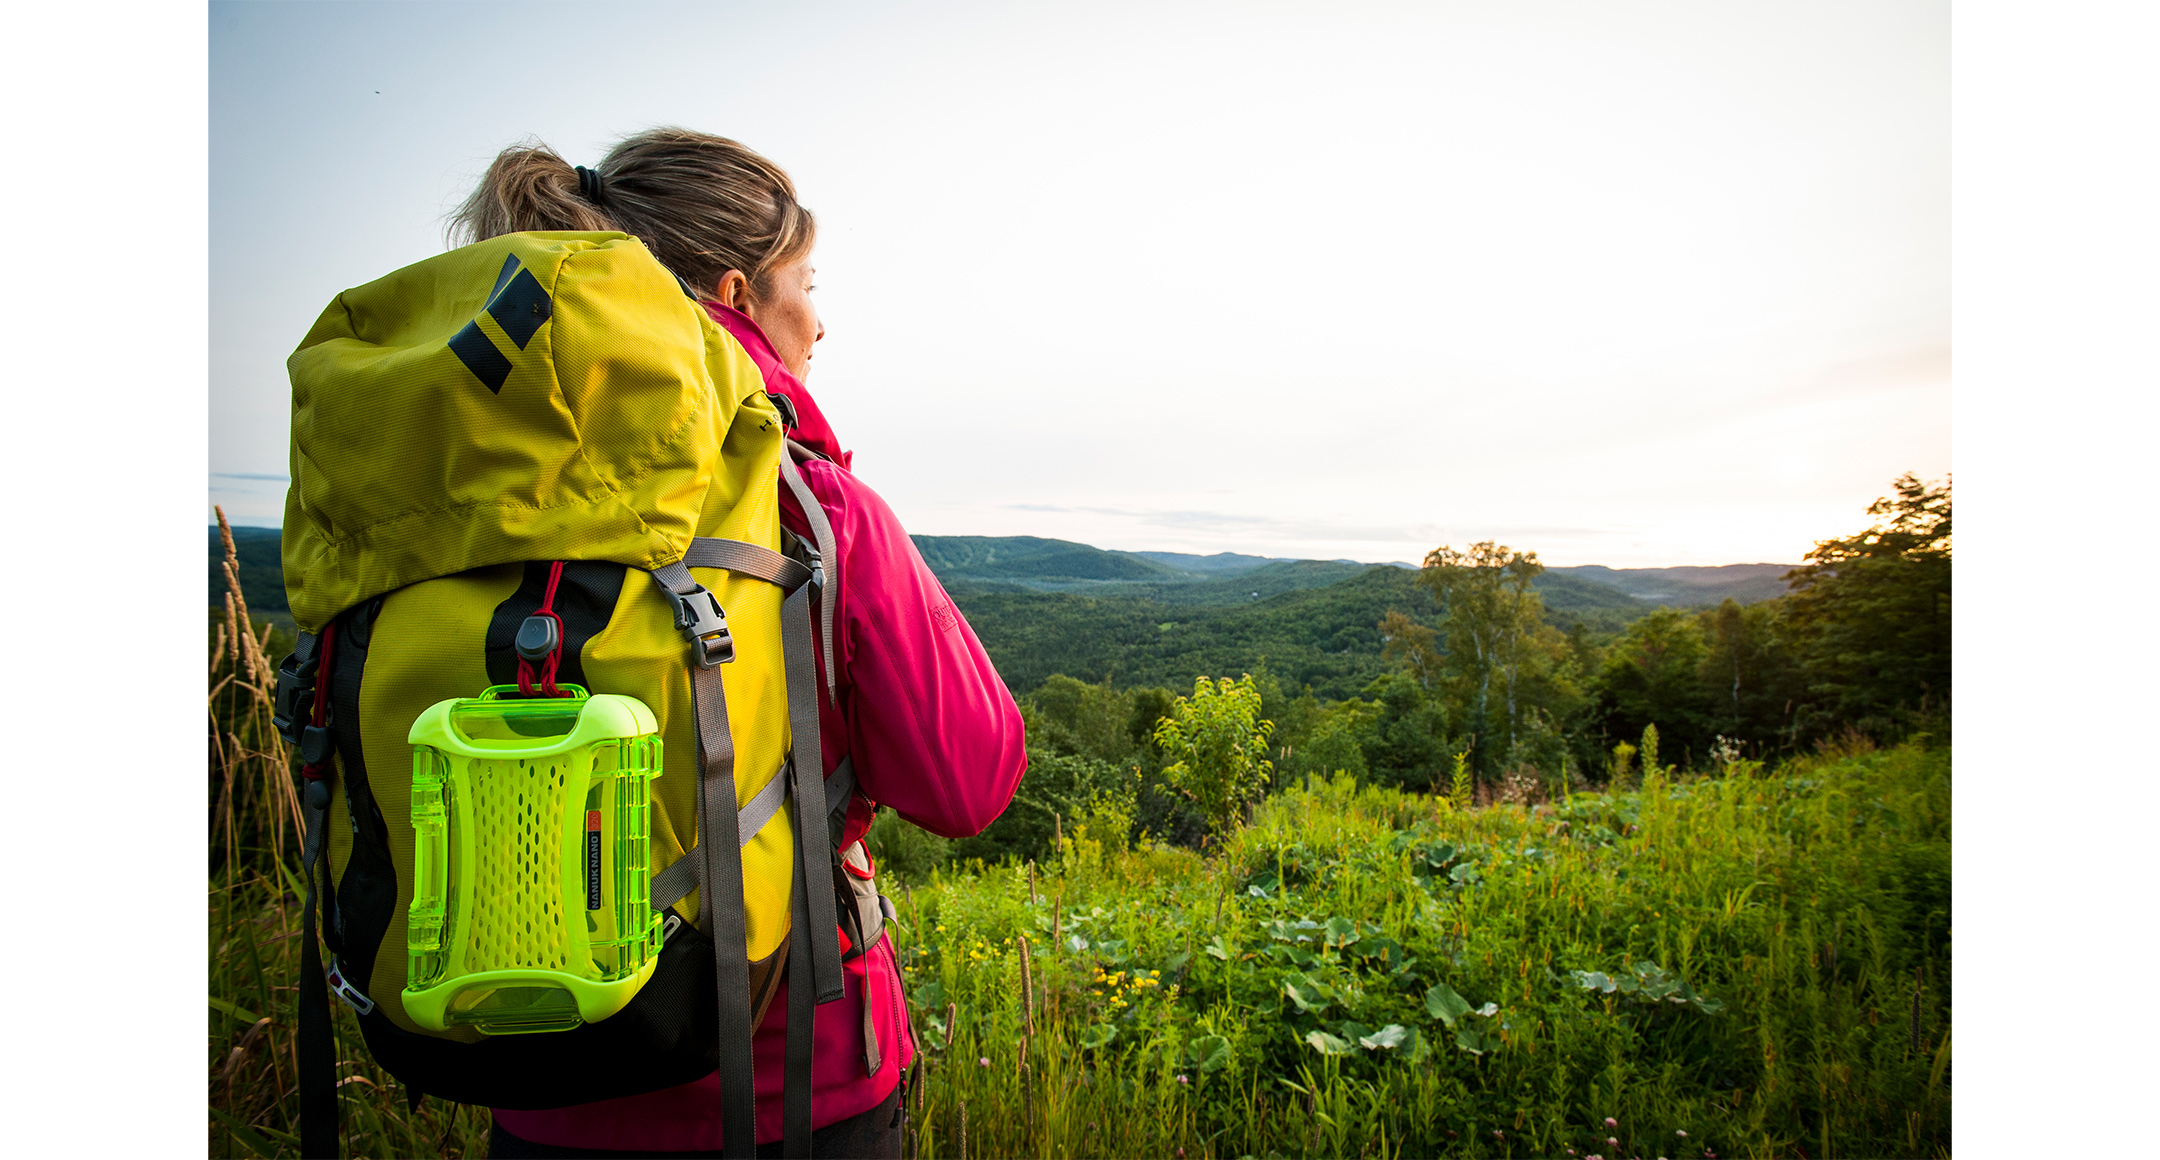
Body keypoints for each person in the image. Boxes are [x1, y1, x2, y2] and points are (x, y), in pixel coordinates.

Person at [447, 128, 1028, 1159]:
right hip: (793, 1084)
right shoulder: (811, 504)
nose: (821, 316)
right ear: (736, 294)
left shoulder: (473, 503)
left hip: (538, 1087)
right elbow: (970, 778)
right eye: (806, 279)